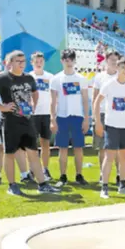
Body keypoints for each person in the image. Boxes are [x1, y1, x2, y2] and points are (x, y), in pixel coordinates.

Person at [0, 50, 59, 195]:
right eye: (18, 61)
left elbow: (35, 93)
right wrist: (1, 107)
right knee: (9, 154)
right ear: (10, 63)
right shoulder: (3, 78)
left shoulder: (29, 78)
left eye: (23, 61)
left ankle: (42, 184)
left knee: (33, 153)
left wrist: (33, 106)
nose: (22, 64)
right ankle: (12, 185)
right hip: (10, 122)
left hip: (27, 121)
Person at [94, 57, 125, 198]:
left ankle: (123, 184)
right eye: (124, 68)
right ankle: (105, 187)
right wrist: (97, 121)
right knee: (109, 156)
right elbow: (97, 102)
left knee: (124, 156)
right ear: (118, 68)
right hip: (111, 125)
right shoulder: (109, 84)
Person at [0, 56, 33, 185]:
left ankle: (25, 174)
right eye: (9, 62)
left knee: (19, 147)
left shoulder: (20, 79)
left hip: (15, 119)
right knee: (0, 147)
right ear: (5, 63)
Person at [50, 49, 90, 186]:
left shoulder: (81, 79)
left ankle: (79, 175)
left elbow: (85, 100)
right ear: (62, 61)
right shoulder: (56, 79)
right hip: (62, 117)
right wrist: (52, 119)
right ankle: (63, 176)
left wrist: (86, 118)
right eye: (66, 60)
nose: (69, 62)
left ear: (74, 61)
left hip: (78, 117)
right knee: (63, 148)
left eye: (71, 60)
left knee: (78, 147)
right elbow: (53, 101)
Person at [92, 51, 122, 185]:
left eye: (116, 60)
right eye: (112, 60)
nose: (114, 63)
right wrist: (95, 118)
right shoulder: (99, 77)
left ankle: (119, 174)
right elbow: (94, 98)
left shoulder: (122, 76)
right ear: (106, 61)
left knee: (117, 147)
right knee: (102, 147)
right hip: (103, 114)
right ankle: (102, 174)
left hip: (117, 114)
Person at [29, 52, 54, 181]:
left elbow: (54, 97)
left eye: (41, 61)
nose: (39, 64)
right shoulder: (27, 77)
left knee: (45, 143)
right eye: (36, 61)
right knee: (31, 144)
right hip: (32, 115)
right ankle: (32, 169)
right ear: (31, 63)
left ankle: (45, 169)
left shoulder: (50, 77)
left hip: (46, 114)